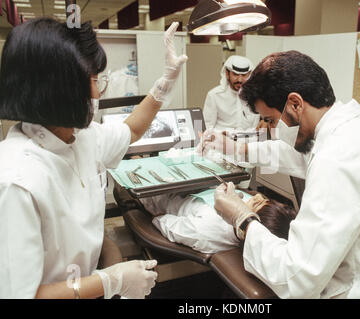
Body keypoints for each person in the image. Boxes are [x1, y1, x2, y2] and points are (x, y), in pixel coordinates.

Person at [201, 50, 360, 298]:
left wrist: (243, 218)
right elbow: (295, 154)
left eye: (271, 120)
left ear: (295, 103)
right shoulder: (358, 125)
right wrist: (235, 148)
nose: (273, 130)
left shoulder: (338, 158)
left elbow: (296, 279)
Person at [0, 19, 187, 299]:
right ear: (59, 89)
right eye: (94, 81)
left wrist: (166, 81)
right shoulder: (16, 180)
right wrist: (110, 281)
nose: (99, 92)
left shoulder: (82, 137)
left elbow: (132, 129)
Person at [140, 189, 297, 254]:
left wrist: (153, 216)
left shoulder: (206, 231)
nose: (255, 197)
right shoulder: (251, 208)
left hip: (160, 195)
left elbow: (167, 223)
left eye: (256, 203)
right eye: (264, 198)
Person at [203, 55, 260, 132]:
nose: (240, 80)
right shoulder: (214, 95)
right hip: (222, 141)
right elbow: (207, 126)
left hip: (248, 141)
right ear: (227, 74)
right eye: (235, 74)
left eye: (244, 75)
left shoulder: (256, 95)